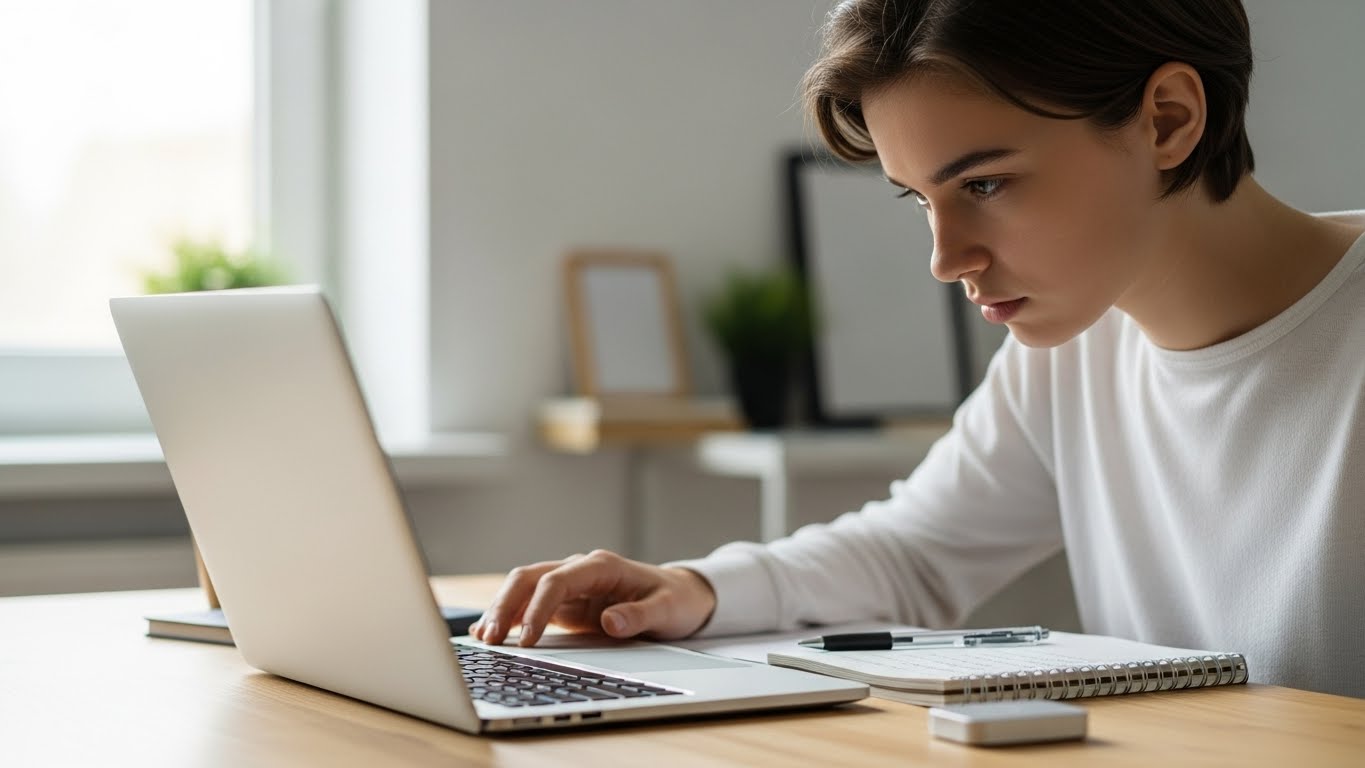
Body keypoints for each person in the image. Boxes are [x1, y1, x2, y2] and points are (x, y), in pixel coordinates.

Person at [470, 0, 1365, 699]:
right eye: (919, 199)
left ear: (1167, 119)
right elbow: (915, 553)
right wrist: (690, 590)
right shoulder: (1070, 348)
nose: (945, 259)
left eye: (986, 183)